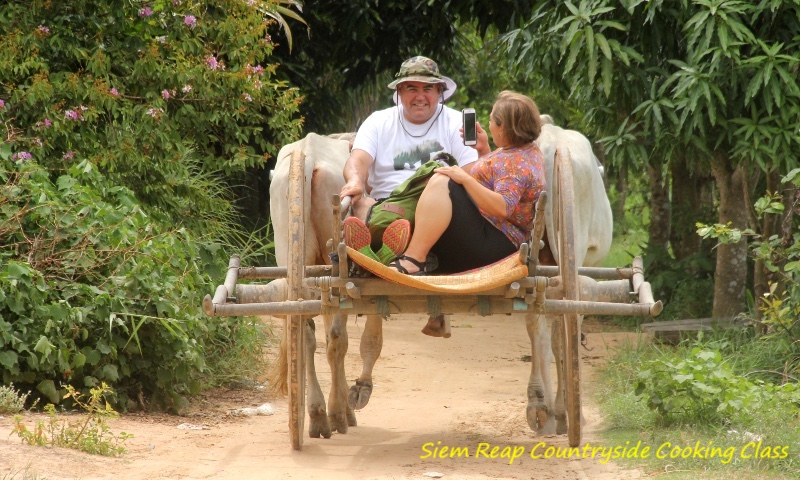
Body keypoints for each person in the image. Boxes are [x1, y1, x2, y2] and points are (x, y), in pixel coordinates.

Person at [388, 90, 546, 276]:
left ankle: (414, 259)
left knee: (443, 181)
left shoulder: (514, 165)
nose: (489, 125)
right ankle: (409, 246)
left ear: (502, 127)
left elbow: (503, 207)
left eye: (491, 121)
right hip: (493, 239)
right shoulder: (526, 151)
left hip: (494, 249)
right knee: (444, 179)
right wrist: (483, 149)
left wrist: (465, 179)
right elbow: (499, 182)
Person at [339, 56, 479, 240]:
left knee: (440, 179)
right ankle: (378, 243)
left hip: (435, 212)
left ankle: (388, 243)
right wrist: (355, 181)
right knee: (362, 205)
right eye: (412, 88)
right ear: (400, 91)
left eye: (428, 88)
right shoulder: (378, 121)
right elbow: (357, 160)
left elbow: (471, 174)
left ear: (439, 91)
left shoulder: (455, 123)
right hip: (384, 205)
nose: (420, 97)